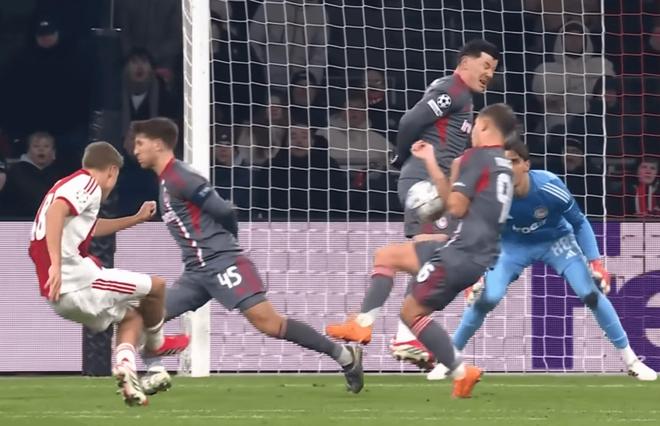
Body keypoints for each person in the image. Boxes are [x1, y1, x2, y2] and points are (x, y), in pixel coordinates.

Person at [129, 117, 364, 396]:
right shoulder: (167, 180)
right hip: (197, 273)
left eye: (140, 143)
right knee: (142, 316)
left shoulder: (181, 177)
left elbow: (224, 210)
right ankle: (155, 372)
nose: (135, 150)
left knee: (270, 323)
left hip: (222, 262)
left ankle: (345, 357)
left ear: (158, 145)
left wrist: (228, 247)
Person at [326, 39, 500, 367]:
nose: (489, 74)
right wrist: (400, 156)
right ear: (465, 63)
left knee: (421, 255)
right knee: (433, 254)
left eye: (493, 70)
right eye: (486, 65)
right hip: (423, 181)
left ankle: (391, 332)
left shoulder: (463, 98)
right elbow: (409, 121)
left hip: (434, 181)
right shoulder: (452, 89)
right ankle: (388, 327)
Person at [450, 143, 657, 381]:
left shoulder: (548, 185)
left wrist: (596, 262)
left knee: (590, 294)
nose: (508, 168)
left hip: (556, 241)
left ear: (526, 165)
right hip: (512, 246)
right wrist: (473, 272)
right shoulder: (490, 194)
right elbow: (478, 231)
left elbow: (579, 222)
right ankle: (450, 358)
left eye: (514, 161)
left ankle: (632, 361)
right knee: (487, 298)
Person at [353, 103, 516, 398]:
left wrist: (433, 171)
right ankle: (365, 326)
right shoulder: (504, 163)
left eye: (475, 127)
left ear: (483, 126)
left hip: (463, 251)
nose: (471, 133)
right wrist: (435, 164)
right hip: (480, 254)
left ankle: (459, 370)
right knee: (391, 263)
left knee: (411, 313)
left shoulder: (476, 157)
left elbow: (456, 207)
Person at [28, 141, 189, 406]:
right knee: (157, 287)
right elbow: (56, 211)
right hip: (77, 281)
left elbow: (90, 227)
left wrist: (135, 219)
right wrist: (55, 264)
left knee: (132, 315)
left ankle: (127, 370)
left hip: (60, 295)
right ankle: (155, 346)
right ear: (112, 171)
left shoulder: (66, 186)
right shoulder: (87, 183)